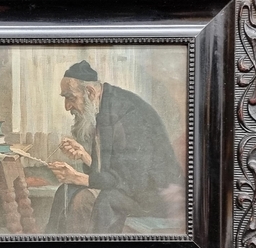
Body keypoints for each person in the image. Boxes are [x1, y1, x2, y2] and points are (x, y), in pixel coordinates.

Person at [46, 60, 184, 234]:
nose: (67, 106)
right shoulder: (103, 105)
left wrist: (79, 177)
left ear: (89, 92)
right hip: (133, 188)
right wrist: (84, 156)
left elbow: (130, 180)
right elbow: (117, 168)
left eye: (70, 97)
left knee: (97, 200)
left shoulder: (128, 113)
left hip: (155, 196)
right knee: (67, 191)